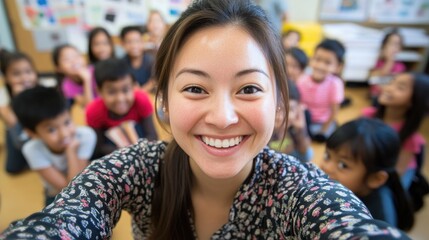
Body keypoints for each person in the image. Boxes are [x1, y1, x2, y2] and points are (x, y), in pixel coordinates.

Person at [0, 1, 411, 239]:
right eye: (196, 88)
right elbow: (67, 219)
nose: (223, 117)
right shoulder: (136, 169)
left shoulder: (298, 190)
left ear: (280, 104)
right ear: (162, 101)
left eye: (248, 88)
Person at [321, 118, 414, 230]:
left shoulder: (378, 222)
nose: (327, 167)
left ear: (376, 179)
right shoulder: (338, 186)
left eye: (343, 165)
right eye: (327, 156)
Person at [12, 86, 96, 206]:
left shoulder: (86, 135)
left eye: (67, 122)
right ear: (32, 133)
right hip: (55, 195)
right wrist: (71, 151)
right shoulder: (32, 149)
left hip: (83, 188)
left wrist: (70, 151)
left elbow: (78, 186)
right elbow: (68, 190)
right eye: (51, 129)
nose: (64, 134)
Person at [362, 72, 429, 190]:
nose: (389, 88)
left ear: (414, 100)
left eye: (400, 87)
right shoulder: (368, 115)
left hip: (392, 174)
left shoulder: (411, 137)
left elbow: (398, 172)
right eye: (391, 82)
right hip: (372, 163)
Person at [86, 58, 158, 157]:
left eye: (125, 90)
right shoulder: (93, 111)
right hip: (115, 152)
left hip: (140, 146)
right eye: (111, 92)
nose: (120, 99)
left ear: (134, 86)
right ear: (99, 91)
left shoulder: (141, 100)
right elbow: (99, 147)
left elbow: (152, 136)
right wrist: (127, 151)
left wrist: (134, 150)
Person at [297, 39, 345, 142]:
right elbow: (298, 104)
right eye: (317, 59)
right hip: (305, 119)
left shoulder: (335, 84)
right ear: (311, 59)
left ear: (338, 67)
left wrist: (323, 130)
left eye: (328, 63)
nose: (320, 66)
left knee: (330, 137)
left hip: (323, 122)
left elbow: (334, 112)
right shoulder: (302, 79)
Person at [0, 52, 38, 174]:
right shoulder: (3, 97)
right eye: (16, 74)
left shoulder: (41, 90)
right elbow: (13, 123)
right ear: (6, 77)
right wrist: (18, 99)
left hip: (38, 131)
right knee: (12, 168)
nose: (24, 78)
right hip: (17, 134)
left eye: (28, 72)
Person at [269, 80, 312, 162]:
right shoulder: (265, 128)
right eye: (278, 108)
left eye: (290, 109)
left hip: (289, 161)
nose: (282, 116)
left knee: (309, 153)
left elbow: (304, 153)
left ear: (297, 110)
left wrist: (301, 130)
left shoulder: (294, 127)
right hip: (270, 162)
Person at [369, 30, 406, 101]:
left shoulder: (400, 66)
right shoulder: (377, 62)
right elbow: (374, 81)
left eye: (397, 44)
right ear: (384, 46)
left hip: (390, 96)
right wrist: (389, 61)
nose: (394, 47)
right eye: (391, 44)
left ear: (400, 48)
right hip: (377, 95)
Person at [120, 25, 155, 92]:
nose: (134, 45)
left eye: (137, 41)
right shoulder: (121, 63)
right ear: (123, 44)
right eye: (129, 42)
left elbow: (154, 80)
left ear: (143, 42)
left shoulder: (151, 60)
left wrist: (141, 91)